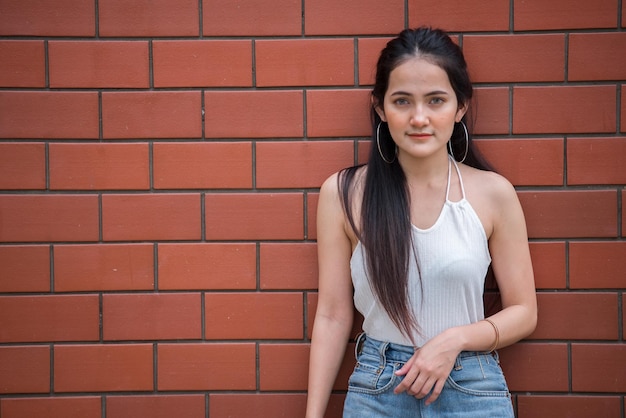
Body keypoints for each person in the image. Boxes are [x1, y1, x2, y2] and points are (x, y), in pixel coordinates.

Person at [305, 27, 537, 418]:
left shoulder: (493, 194)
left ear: (460, 106)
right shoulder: (343, 194)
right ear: (380, 108)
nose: (419, 118)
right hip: (378, 389)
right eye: (402, 101)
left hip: (470, 385)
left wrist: (455, 340)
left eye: (436, 100)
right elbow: (332, 314)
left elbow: (524, 311)